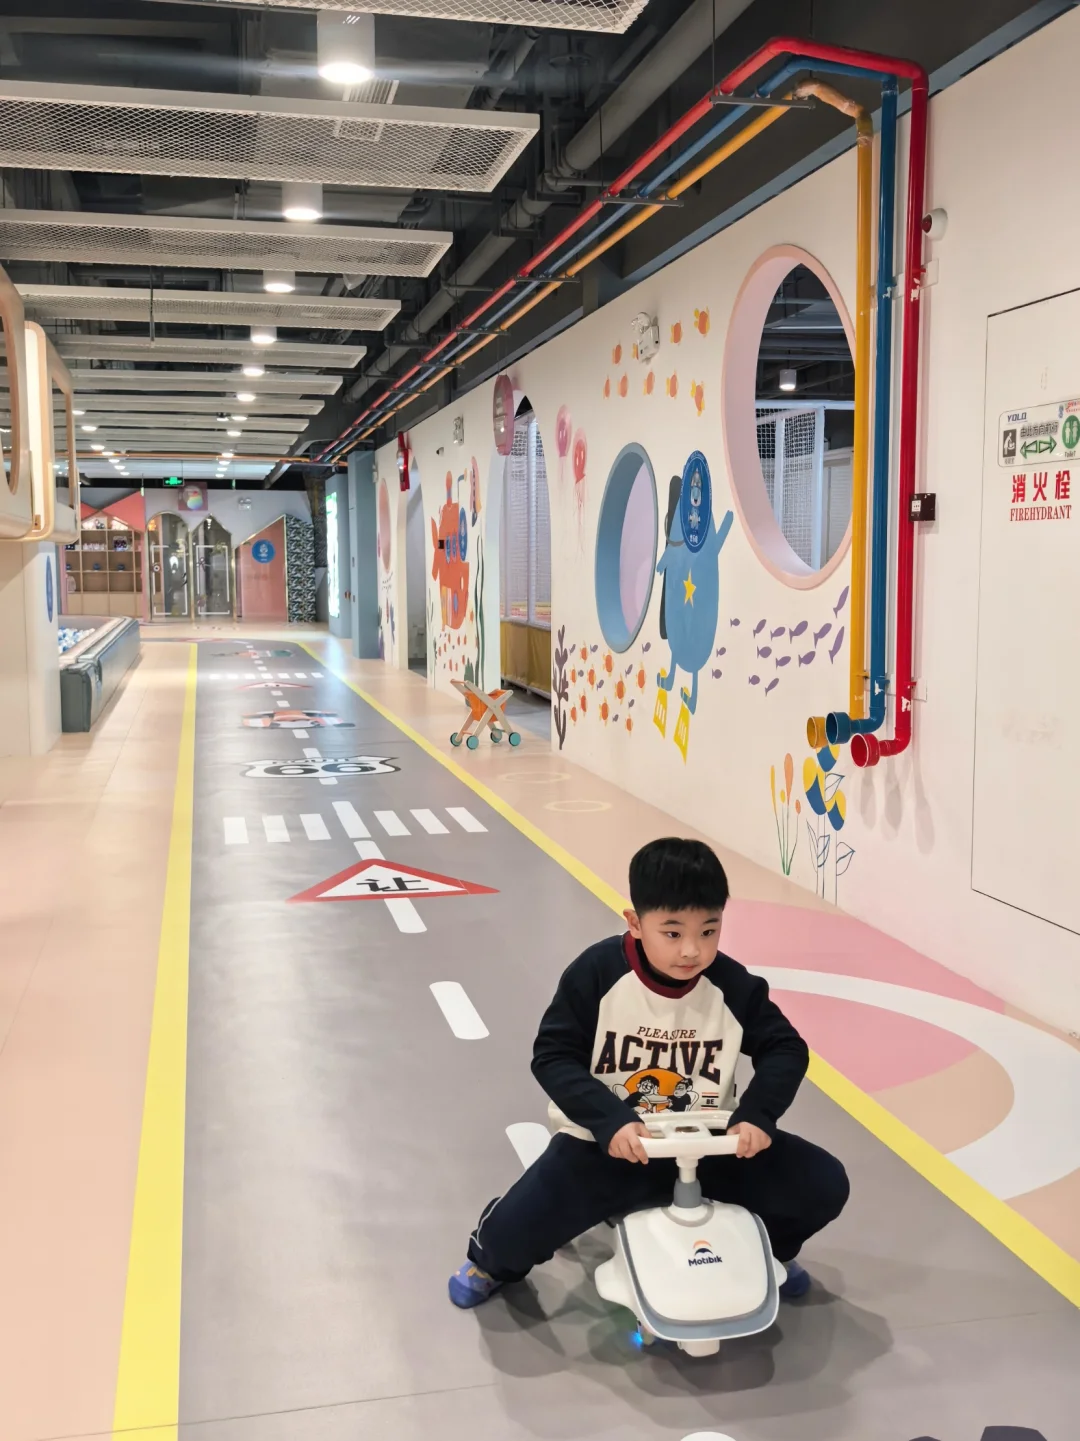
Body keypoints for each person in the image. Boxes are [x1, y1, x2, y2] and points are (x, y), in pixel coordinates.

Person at [449, 837, 849, 1309]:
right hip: (608, 1145)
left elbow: (785, 1047)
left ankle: (764, 1251)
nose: (692, 951)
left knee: (823, 1184)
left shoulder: (732, 984)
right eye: (672, 933)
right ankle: (489, 1261)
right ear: (636, 923)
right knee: (510, 1237)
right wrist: (609, 1120)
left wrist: (757, 1114)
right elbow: (553, 1055)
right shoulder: (597, 973)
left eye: (709, 931)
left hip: (708, 1143)